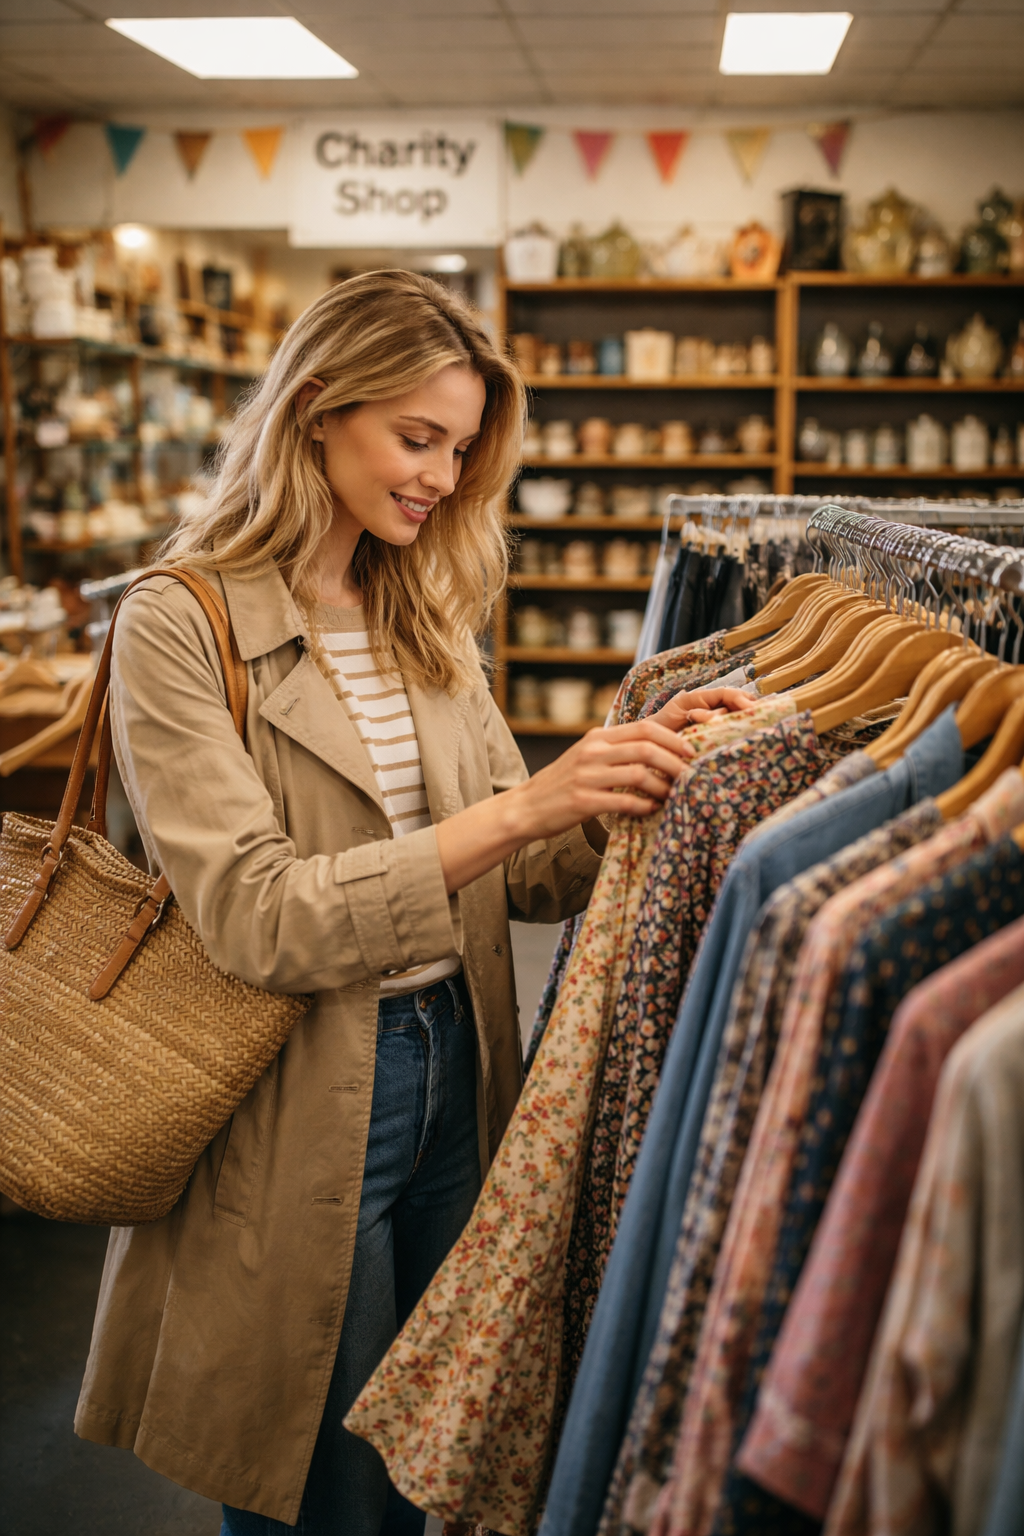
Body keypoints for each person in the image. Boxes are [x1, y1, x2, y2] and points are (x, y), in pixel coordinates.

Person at [74, 270, 751, 1536]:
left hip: (458, 1064)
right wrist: (526, 808)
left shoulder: (419, 607)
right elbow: (255, 916)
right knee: (322, 1490)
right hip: (298, 1094)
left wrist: (638, 771)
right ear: (317, 409)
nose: (441, 476)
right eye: (417, 438)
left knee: (426, 1461)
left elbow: (527, 874)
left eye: (461, 447)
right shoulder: (178, 621)